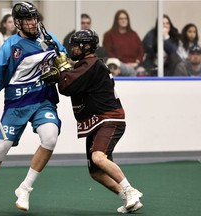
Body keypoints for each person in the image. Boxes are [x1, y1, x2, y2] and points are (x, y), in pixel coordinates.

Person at [0, 2, 66, 215]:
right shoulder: (11, 45)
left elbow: (65, 62)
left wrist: (59, 73)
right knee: (0, 149)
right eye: (28, 19)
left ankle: (25, 188)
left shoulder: (49, 39)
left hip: (43, 100)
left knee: (50, 137)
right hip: (17, 104)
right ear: (17, 23)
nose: (33, 23)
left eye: (35, 18)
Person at [41, 29, 143, 214]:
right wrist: (62, 71)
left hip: (109, 119)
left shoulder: (91, 64)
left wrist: (59, 74)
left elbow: (67, 85)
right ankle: (128, 198)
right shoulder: (86, 64)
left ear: (86, 46)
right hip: (96, 122)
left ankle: (131, 190)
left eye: (75, 45)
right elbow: (71, 77)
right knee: (96, 172)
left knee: (98, 157)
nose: (72, 49)